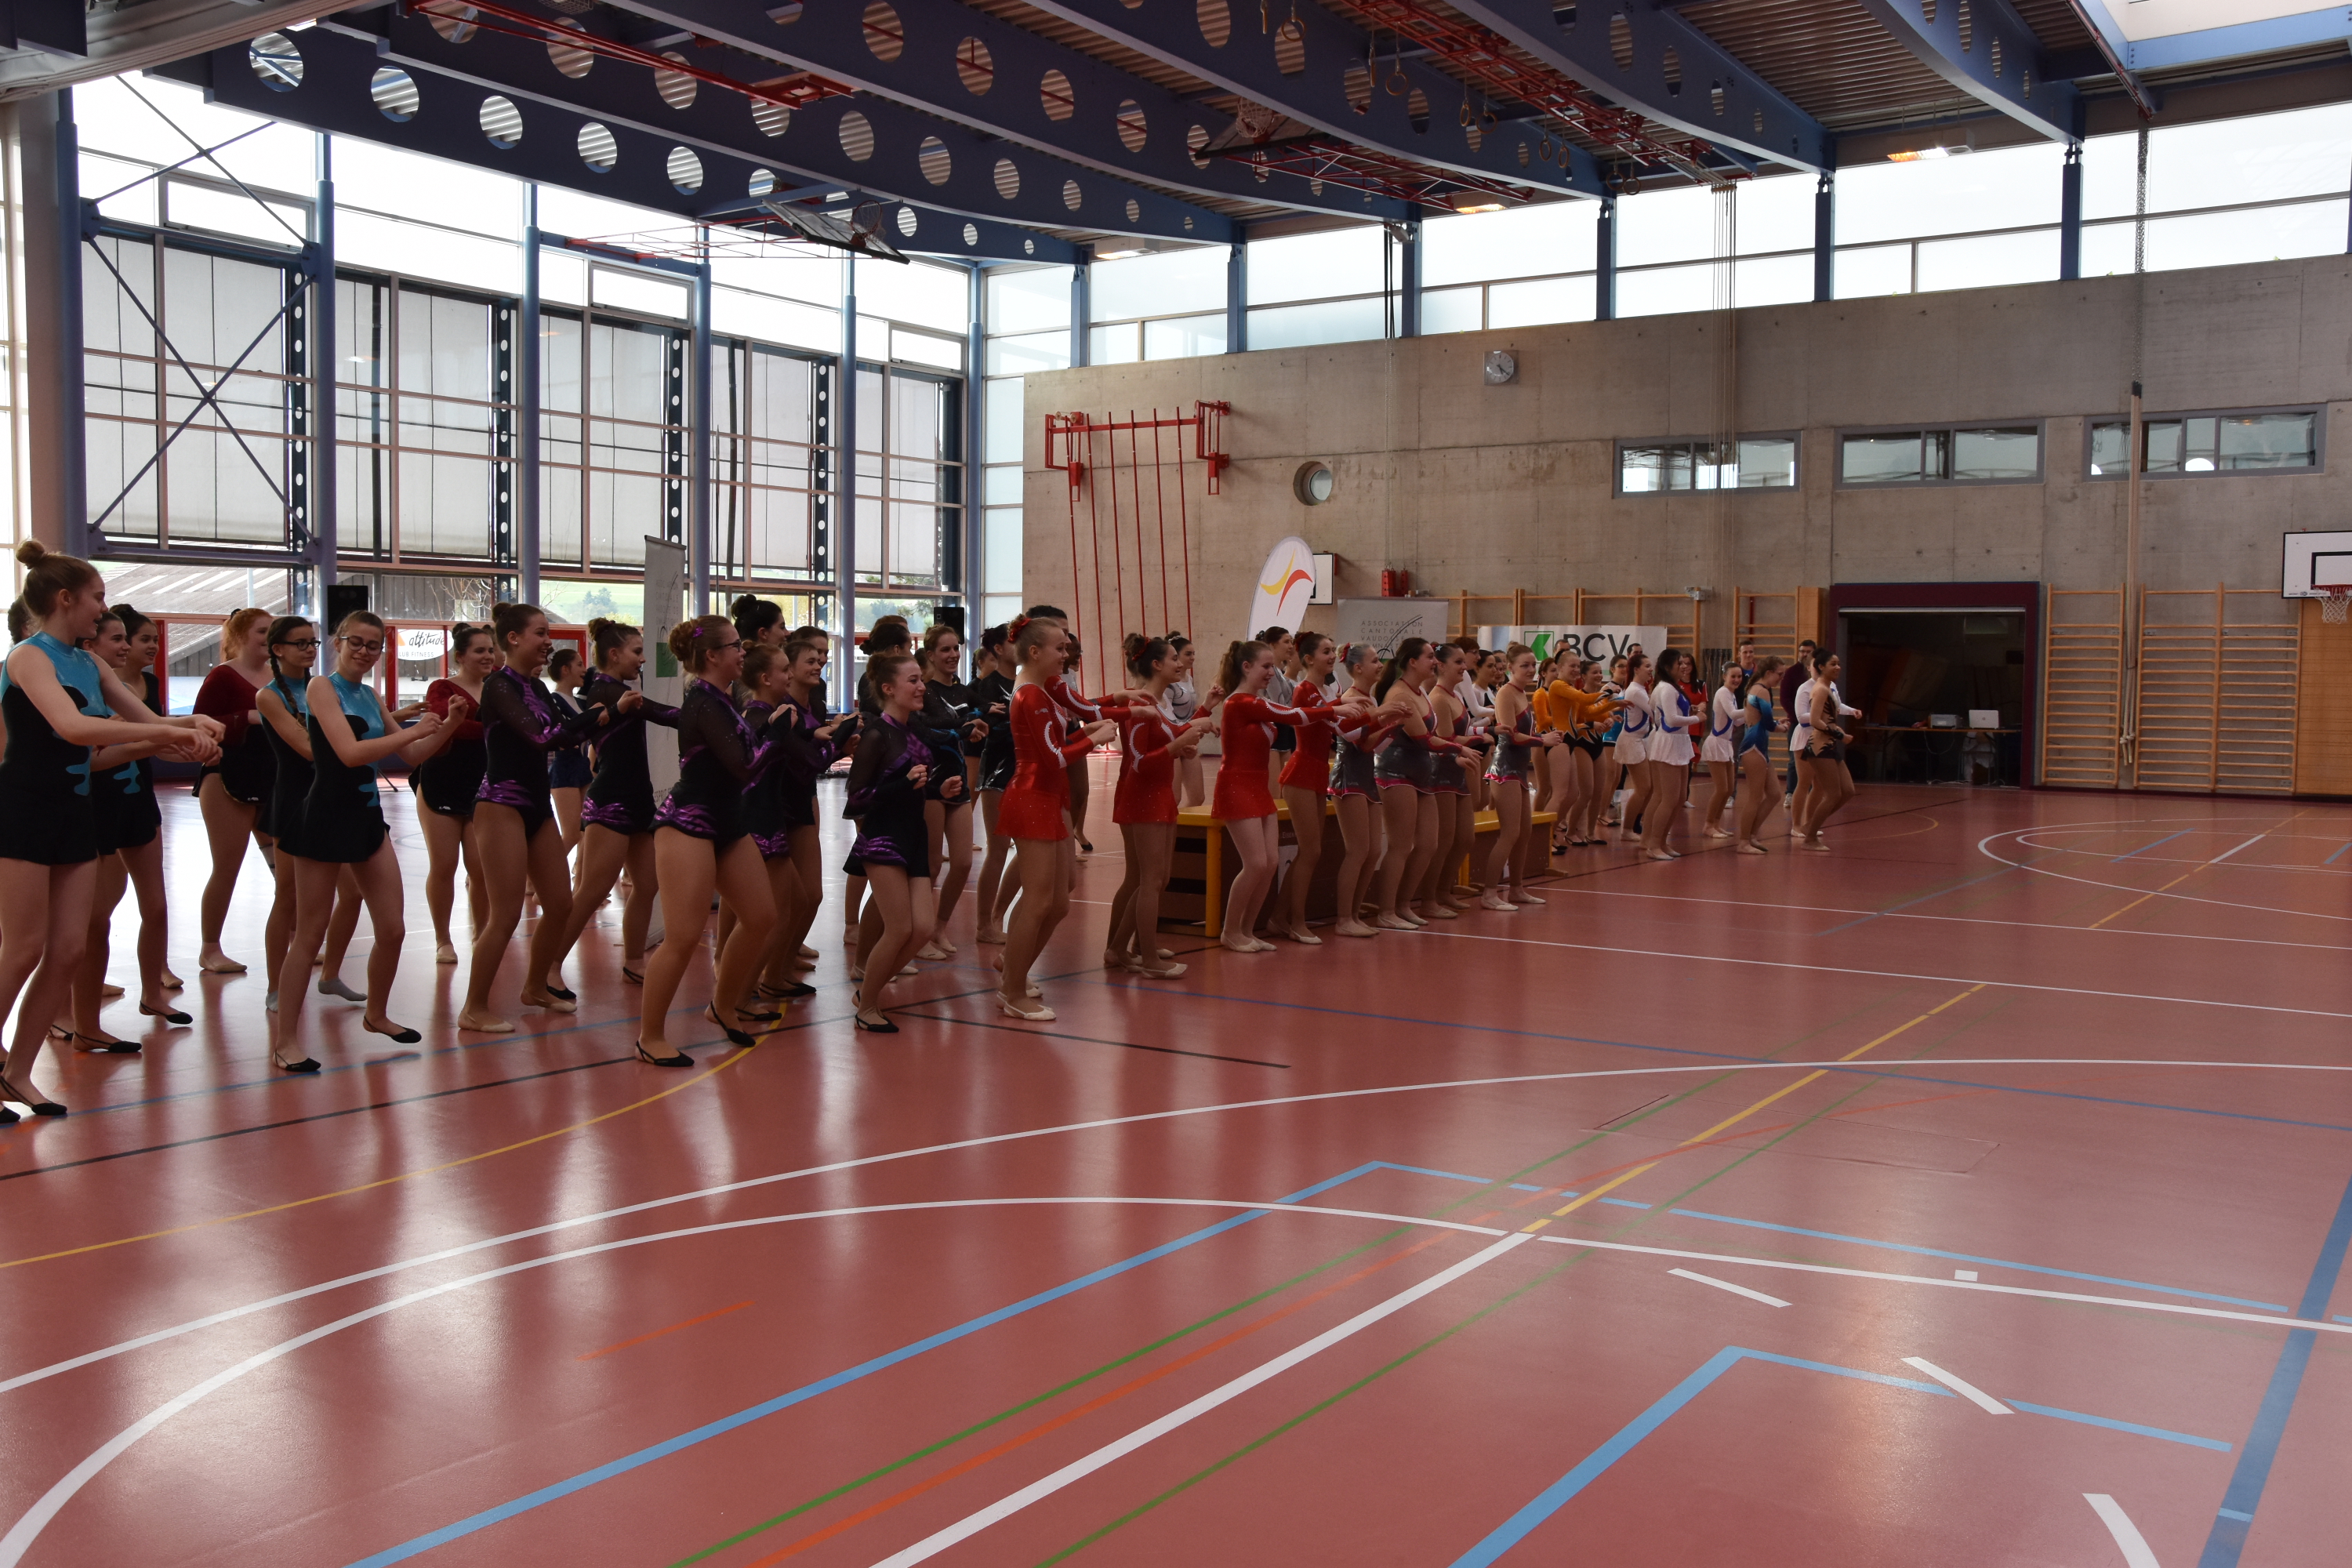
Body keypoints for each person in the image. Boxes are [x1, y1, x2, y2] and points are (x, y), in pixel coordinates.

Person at [0, 544, 221, 1114]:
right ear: (64, 599)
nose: (103, 608)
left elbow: (146, 722)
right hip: (23, 811)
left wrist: (188, 726)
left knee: (68, 949)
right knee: (22, 950)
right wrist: (168, 735)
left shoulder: (91, 664)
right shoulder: (28, 658)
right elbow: (73, 728)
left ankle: (17, 1073)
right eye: (97, 597)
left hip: (74, 813)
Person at [270, 612, 446, 1072]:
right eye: (357, 642)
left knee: (392, 928)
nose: (365, 652)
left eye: (374, 645)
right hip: (324, 818)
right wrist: (414, 729)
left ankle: (377, 1015)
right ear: (338, 642)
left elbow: (412, 754)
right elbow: (348, 754)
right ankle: (285, 1041)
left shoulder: (370, 695)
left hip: (367, 818)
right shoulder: (320, 688)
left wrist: (447, 726)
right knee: (310, 933)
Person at [458, 602, 620, 1034]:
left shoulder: (538, 688)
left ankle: (534, 986)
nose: (549, 641)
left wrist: (611, 713)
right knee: (506, 914)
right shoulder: (499, 686)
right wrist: (599, 716)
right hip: (500, 804)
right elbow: (542, 736)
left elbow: (568, 732)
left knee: (561, 903)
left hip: (535, 804)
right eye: (541, 633)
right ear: (513, 639)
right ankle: (473, 1007)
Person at [637, 615, 779, 1065]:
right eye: (736, 645)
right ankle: (649, 1037)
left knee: (761, 917)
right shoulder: (703, 701)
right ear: (713, 656)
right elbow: (745, 766)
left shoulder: (723, 699)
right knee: (682, 937)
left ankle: (722, 1004)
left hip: (728, 822)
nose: (743, 651)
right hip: (688, 824)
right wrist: (778, 733)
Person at [67, 608, 186, 1051]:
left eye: (129, 638)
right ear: (91, 645)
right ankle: (79, 1017)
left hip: (139, 802)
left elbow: (154, 741)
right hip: (100, 806)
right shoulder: (90, 688)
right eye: (120, 638)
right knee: (97, 917)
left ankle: (153, 994)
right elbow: (98, 747)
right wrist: (150, 736)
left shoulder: (146, 686)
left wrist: (182, 745)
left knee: (156, 906)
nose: (146, 646)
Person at [996, 616, 1116, 1021]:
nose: (1067, 654)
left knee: (1060, 900)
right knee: (1038, 900)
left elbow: (1057, 743)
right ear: (1034, 652)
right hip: (1032, 797)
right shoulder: (1030, 694)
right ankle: (1013, 990)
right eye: (1060, 648)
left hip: (1050, 797)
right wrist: (1093, 740)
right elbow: (1051, 758)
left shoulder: (1045, 689)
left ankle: (1013, 970)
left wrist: (1087, 731)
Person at [548, 618, 679, 989]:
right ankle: (550, 964)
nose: (643, 659)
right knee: (591, 890)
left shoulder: (618, 690)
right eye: (637, 652)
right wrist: (706, 714)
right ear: (614, 654)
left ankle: (634, 960)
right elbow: (664, 714)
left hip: (637, 797)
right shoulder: (607, 691)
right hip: (611, 802)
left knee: (647, 884)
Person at [252, 615, 364, 1018]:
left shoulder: (324, 688)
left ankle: (330, 974)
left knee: (352, 893)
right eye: (300, 643)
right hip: (294, 801)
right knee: (288, 897)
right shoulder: (269, 696)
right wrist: (357, 743)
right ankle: (275, 985)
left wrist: (399, 720)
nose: (309, 650)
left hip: (330, 798)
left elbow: (352, 733)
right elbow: (307, 746)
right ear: (278, 650)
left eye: (312, 643)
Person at [844, 651, 960, 1030]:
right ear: (888, 688)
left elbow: (914, 787)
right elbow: (856, 799)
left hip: (914, 835)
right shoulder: (877, 735)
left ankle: (868, 992)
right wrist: (902, 783)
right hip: (883, 838)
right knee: (898, 929)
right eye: (913, 681)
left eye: (921, 680)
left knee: (922, 928)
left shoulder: (913, 731)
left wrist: (937, 790)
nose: (922, 686)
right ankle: (867, 1007)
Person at [1105, 633, 1213, 976]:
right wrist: (1178, 744)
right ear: (1155, 665)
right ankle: (1147, 958)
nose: (1180, 664)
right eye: (1174, 658)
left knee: (1159, 878)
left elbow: (1170, 737)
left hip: (1160, 792)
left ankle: (1121, 948)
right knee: (1147, 879)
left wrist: (1187, 739)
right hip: (1143, 796)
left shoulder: (1160, 702)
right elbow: (1138, 760)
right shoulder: (1141, 706)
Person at [191, 607, 278, 975]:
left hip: (273, 779)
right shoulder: (222, 676)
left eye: (273, 631)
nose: (269, 638)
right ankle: (210, 947)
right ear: (241, 636)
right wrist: (247, 717)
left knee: (286, 870)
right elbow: (199, 724)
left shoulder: (281, 676)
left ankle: (293, 935)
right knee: (227, 867)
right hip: (228, 778)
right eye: (262, 631)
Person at [1211, 638, 1311, 953]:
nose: (1272, 672)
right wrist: (1335, 709)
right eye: (1267, 666)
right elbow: (1293, 715)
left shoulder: (1258, 700)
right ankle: (1230, 931)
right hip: (1236, 786)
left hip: (1258, 787)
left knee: (1270, 864)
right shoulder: (1239, 703)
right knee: (1255, 863)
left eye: (1273, 666)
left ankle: (1246, 930)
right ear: (1246, 667)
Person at [1370, 639, 1471, 930]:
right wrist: (1460, 747)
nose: (1434, 661)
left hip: (1421, 775)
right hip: (1396, 773)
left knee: (1428, 844)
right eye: (1429, 657)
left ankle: (1406, 904)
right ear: (1412, 662)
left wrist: (1461, 744)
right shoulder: (1399, 693)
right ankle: (1386, 911)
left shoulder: (1421, 691)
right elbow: (1424, 739)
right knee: (1401, 846)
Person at [416, 624, 495, 964]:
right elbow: (449, 724)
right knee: (444, 865)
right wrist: (494, 728)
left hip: (482, 786)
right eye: (479, 651)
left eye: (490, 650)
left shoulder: (497, 688)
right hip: (441, 783)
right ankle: (443, 939)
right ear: (460, 656)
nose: (488, 656)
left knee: (480, 868)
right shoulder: (443, 687)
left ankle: (482, 933)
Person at [914, 623, 986, 961]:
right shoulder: (923, 691)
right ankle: (920, 935)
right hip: (931, 783)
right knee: (930, 866)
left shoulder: (962, 690)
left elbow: (986, 710)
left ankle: (940, 927)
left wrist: (982, 721)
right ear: (930, 654)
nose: (953, 654)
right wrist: (965, 727)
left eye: (956, 648)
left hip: (958, 780)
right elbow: (924, 730)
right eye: (945, 649)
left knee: (962, 862)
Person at [1269, 631, 1341, 945]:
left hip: (1317, 773)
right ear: (1309, 659)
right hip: (1300, 774)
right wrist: (1365, 709)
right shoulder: (1305, 690)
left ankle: (1279, 917)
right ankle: (1297, 922)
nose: (1333, 656)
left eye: (1334, 650)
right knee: (1310, 851)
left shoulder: (1326, 690)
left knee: (1311, 852)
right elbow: (1331, 719)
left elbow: (1340, 722)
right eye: (1326, 651)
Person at [1480, 644, 1564, 910]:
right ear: (1510, 668)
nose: (1530, 670)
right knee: (1510, 833)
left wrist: (1544, 736)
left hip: (1517, 770)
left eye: (1533, 665)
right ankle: (1489, 893)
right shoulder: (1506, 693)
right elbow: (1510, 735)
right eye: (1524, 665)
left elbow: (1523, 734)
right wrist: (1542, 740)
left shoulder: (1521, 693)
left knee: (1524, 832)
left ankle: (1516, 889)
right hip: (1504, 769)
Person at [1416, 641, 1486, 920]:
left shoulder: (1455, 696)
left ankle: (1444, 890)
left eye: (1464, 662)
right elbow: (1446, 739)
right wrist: (1480, 737)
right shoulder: (1438, 698)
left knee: (1466, 838)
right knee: (1444, 840)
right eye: (1458, 662)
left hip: (1460, 770)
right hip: (1443, 772)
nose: (1464, 667)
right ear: (1441, 666)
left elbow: (1461, 733)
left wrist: (1484, 732)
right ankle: (1429, 898)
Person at [1325, 644, 1390, 939]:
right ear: (1358, 668)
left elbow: (1375, 746)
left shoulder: (1371, 699)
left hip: (1366, 776)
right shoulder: (1350, 699)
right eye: (1374, 660)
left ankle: (1354, 912)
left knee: (1374, 850)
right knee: (1358, 851)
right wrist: (1386, 720)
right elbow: (1359, 742)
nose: (1380, 665)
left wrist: (1394, 726)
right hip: (1348, 777)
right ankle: (1343, 918)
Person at [967, 625, 1018, 945]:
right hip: (998, 771)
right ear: (998, 649)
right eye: (1013, 642)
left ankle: (1000, 914)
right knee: (998, 850)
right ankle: (984, 924)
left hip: (1027, 771)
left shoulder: (1027, 683)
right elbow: (985, 729)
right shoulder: (985, 687)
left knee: (1029, 850)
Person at [1643, 649, 1704, 859]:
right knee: (1668, 799)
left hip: (1679, 742)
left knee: (1678, 798)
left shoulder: (1672, 687)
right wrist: (1697, 719)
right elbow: (1670, 720)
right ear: (1669, 667)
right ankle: (1653, 845)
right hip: (1668, 743)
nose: (1684, 666)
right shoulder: (1666, 688)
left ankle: (1661, 842)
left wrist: (1689, 711)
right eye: (1679, 663)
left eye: (1685, 663)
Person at [1795, 652, 1857, 849]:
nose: (1838, 667)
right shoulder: (1820, 689)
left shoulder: (1829, 688)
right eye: (1833, 664)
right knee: (1833, 794)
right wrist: (1840, 735)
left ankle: (1809, 826)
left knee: (1848, 791)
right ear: (1821, 667)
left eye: (1838, 664)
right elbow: (1815, 720)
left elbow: (1828, 717)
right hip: (1820, 747)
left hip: (1829, 746)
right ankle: (1810, 838)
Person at [1736, 655, 1788, 854]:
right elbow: (1766, 723)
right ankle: (1744, 841)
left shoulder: (1758, 689)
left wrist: (1776, 723)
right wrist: (1780, 728)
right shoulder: (1762, 691)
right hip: (1753, 746)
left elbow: (1763, 719)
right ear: (1769, 673)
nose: (1781, 678)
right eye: (1780, 674)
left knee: (1774, 794)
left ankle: (1751, 835)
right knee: (1755, 797)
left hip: (1760, 747)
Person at [546, 646, 592, 858]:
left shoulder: (579, 701)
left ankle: (580, 874)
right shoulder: (554, 700)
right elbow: (564, 735)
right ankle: (540, 874)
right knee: (572, 834)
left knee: (586, 830)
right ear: (565, 670)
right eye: (579, 665)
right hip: (564, 770)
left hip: (582, 767)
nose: (584, 670)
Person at [1613, 652, 1657, 851]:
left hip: (1640, 739)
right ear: (1637, 669)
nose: (1651, 669)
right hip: (1631, 741)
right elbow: (1654, 713)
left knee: (1649, 787)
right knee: (1643, 787)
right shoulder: (1636, 691)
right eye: (1647, 666)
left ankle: (1636, 824)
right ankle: (1627, 829)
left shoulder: (1641, 689)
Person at [1701, 660, 1744, 839]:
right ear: (1724, 676)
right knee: (1721, 789)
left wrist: (1756, 715)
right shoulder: (1723, 692)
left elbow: (1737, 721)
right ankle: (1708, 825)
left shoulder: (1731, 695)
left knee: (1728, 789)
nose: (1737, 680)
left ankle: (1716, 824)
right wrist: (1751, 708)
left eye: (1739, 676)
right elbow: (1734, 714)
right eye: (1733, 676)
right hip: (1716, 743)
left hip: (1726, 744)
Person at [1165, 633, 1207, 814]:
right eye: (1188, 654)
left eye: (1194, 654)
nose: (1193, 658)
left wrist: (1205, 712)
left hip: (1188, 740)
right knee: (1173, 798)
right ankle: (1166, 830)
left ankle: (1182, 829)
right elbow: (1167, 714)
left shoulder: (1188, 679)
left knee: (1198, 797)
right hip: (1174, 740)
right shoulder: (1169, 684)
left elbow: (1187, 709)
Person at [1258, 624, 1298, 796]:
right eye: (1286, 642)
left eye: (1291, 642)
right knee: (1274, 793)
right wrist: (1301, 721)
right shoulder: (1270, 672)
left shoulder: (1279, 672)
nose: (1291, 646)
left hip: (1284, 729)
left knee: (1284, 791)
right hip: (1273, 728)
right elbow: (1278, 703)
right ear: (1272, 645)